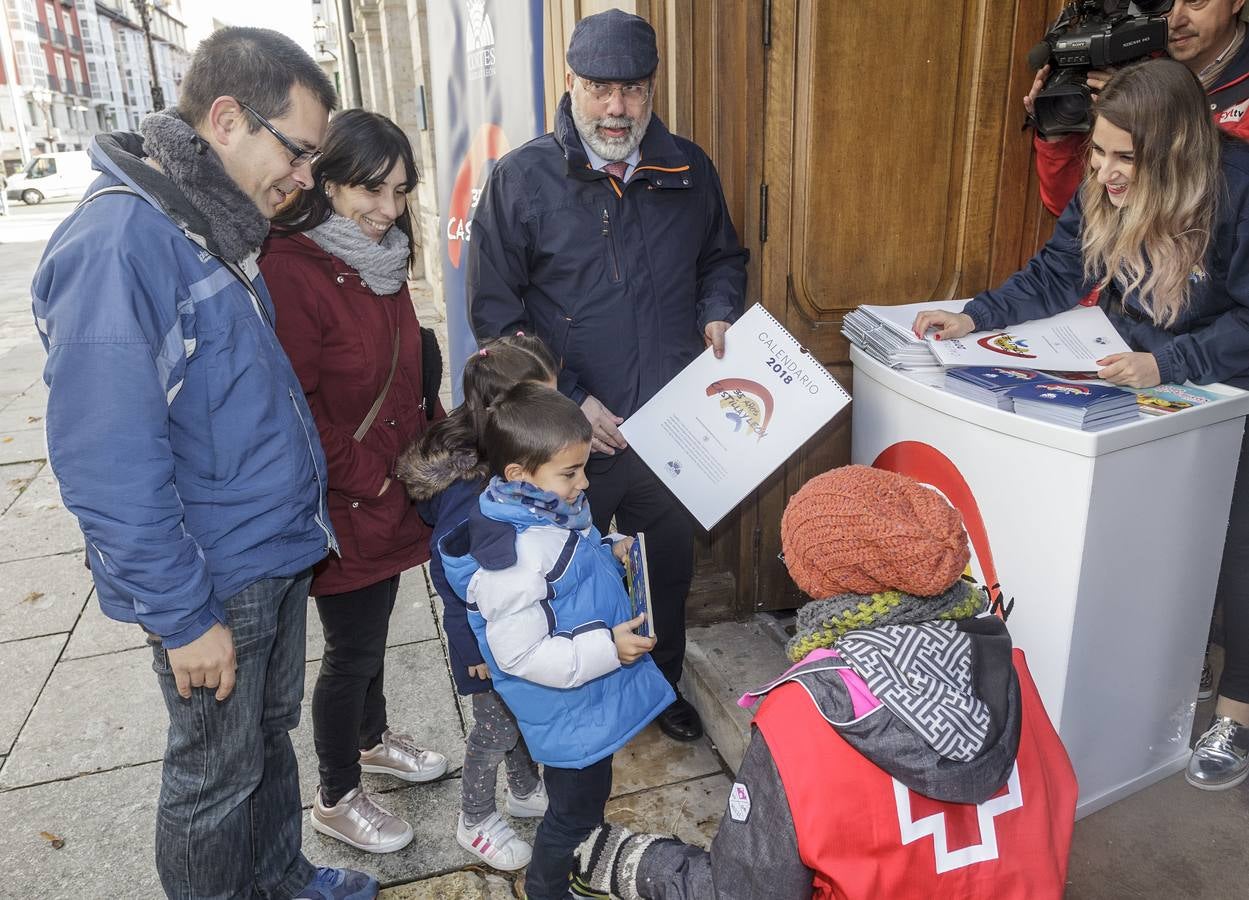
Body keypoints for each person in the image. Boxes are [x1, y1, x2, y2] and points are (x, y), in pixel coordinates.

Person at [30, 27, 378, 900]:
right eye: (296, 151)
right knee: (212, 783)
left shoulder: (204, 221)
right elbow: (106, 462)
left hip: (267, 552)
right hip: (214, 578)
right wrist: (182, 617)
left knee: (264, 747)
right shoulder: (122, 243)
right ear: (226, 119)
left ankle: (281, 882)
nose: (303, 179)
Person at [914, 58, 1249, 791]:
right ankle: (1163, 671)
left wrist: (1170, 362)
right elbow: (1057, 271)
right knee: (1150, 536)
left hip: (1223, 385)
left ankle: (1237, 709)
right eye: (1096, 153)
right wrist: (975, 314)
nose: (1104, 173)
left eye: (1124, 159)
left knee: (1237, 547)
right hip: (1139, 370)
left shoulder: (1239, 188)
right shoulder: (1105, 184)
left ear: (1173, 152)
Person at [572, 465, 1078, 900]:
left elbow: (744, 893)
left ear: (819, 582)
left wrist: (637, 863)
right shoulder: (1008, 668)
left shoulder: (803, 713)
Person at [467, 8, 749, 743]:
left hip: (670, 427)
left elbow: (723, 258)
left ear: (652, 88)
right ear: (571, 84)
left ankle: (657, 688)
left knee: (666, 573)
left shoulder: (688, 169)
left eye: (631, 88)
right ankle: (582, 704)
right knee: (564, 581)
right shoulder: (521, 179)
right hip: (570, 443)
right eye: (599, 88)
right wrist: (567, 401)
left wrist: (718, 311)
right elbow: (496, 318)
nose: (616, 107)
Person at [261, 109, 449, 854]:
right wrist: (374, 478)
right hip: (349, 499)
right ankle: (336, 792)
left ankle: (371, 739)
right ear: (327, 181)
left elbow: (403, 370)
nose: (388, 211)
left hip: (393, 489)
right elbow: (296, 407)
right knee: (351, 652)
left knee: (372, 636)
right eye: (371, 191)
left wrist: (433, 443)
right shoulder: (293, 267)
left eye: (400, 190)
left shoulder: (382, 256)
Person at [438, 383, 675, 900]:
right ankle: (547, 889)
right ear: (520, 474)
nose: (583, 483)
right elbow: (520, 654)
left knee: (587, 801)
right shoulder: (514, 558)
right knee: (572, 814)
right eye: (571, 473)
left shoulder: (545, 511)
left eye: (583, 467)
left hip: (584, 703)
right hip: (569, 709)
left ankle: (576, 869)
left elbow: (573, 566)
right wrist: (609, 650)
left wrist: (609, 551)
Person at [396, 335, 558, 871]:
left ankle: (524, 788)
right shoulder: (472, 487)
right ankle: (475, 819)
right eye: (543, 405)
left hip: (507, 621)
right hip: (482, 633)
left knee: (515, 709)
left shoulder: (503, 457)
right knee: (495, 726)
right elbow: (450, 573)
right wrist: (471, 646)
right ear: (501, 414)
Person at [1027, 0, 1249, 216]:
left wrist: (1148, 114)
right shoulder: (1126, 59)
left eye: (1195, 2)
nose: (1174, 20)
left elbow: (1229, 205)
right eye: (1162, 3)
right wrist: (1059, 133)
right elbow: (1070, 211)